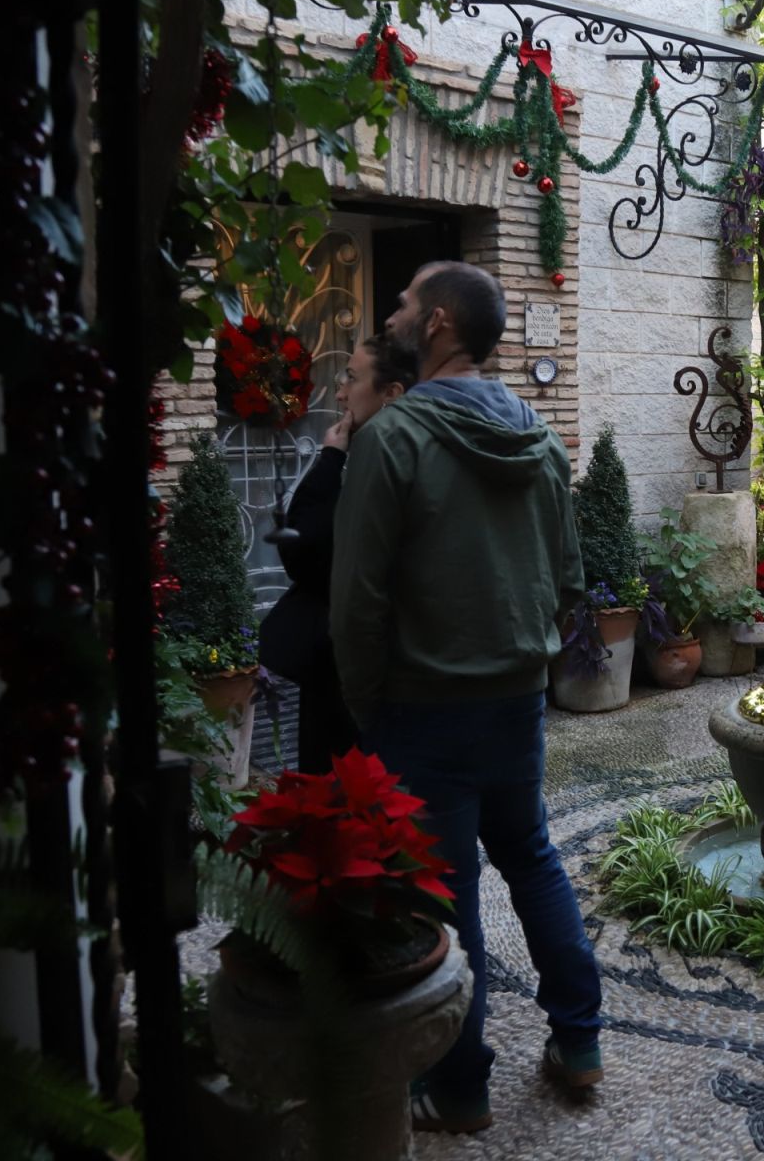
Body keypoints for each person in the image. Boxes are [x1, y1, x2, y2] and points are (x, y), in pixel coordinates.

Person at [330, 261, 602, 1134]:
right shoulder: (540, 436)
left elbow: (357, 599)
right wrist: (526, 659)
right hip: (515, 698)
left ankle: (459, 1087)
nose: (396, 313)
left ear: (438, 322)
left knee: (445, 898)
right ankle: (581, 1042)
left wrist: (366, 707)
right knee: (531, 856)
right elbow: (569, 577)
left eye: (406, 302)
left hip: (422, 704)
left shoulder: (392, 437)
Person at [258, 333, 418, 773]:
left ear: (392, 394)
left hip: (355, 670)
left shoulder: (379, 461)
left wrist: (330, 458)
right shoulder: (394, 450)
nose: (341, 391)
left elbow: (303, 547)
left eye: (351, 377)